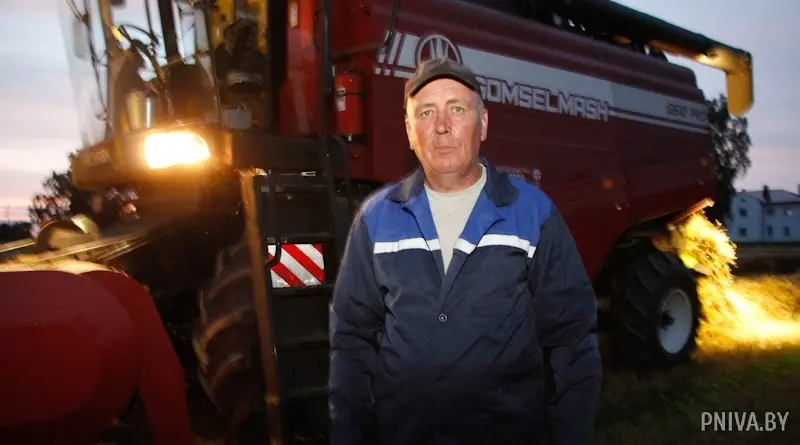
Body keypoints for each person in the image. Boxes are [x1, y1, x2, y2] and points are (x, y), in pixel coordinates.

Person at [328, 56, 602, 445]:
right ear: (409, 131)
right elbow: (352, 339)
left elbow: (572, 338)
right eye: (426, 112)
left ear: (483, 123)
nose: (442, 125)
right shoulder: (376, 219)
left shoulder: (532, 213)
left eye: (456, 108)